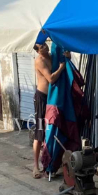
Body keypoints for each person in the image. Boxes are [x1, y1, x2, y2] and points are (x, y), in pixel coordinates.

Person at [32, 42, 70, 179]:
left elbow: (64, 58)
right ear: (37, 51)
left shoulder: (51, 55)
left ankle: (51, 161)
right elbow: (51, 79)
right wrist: (61, 68)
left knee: (52, 129)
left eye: (44, 44)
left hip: (52, 99)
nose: (45, 47)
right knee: (40, 132)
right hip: (42, 98)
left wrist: (67, 57)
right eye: (41, 47)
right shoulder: (40, 61)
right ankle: (35, 166)